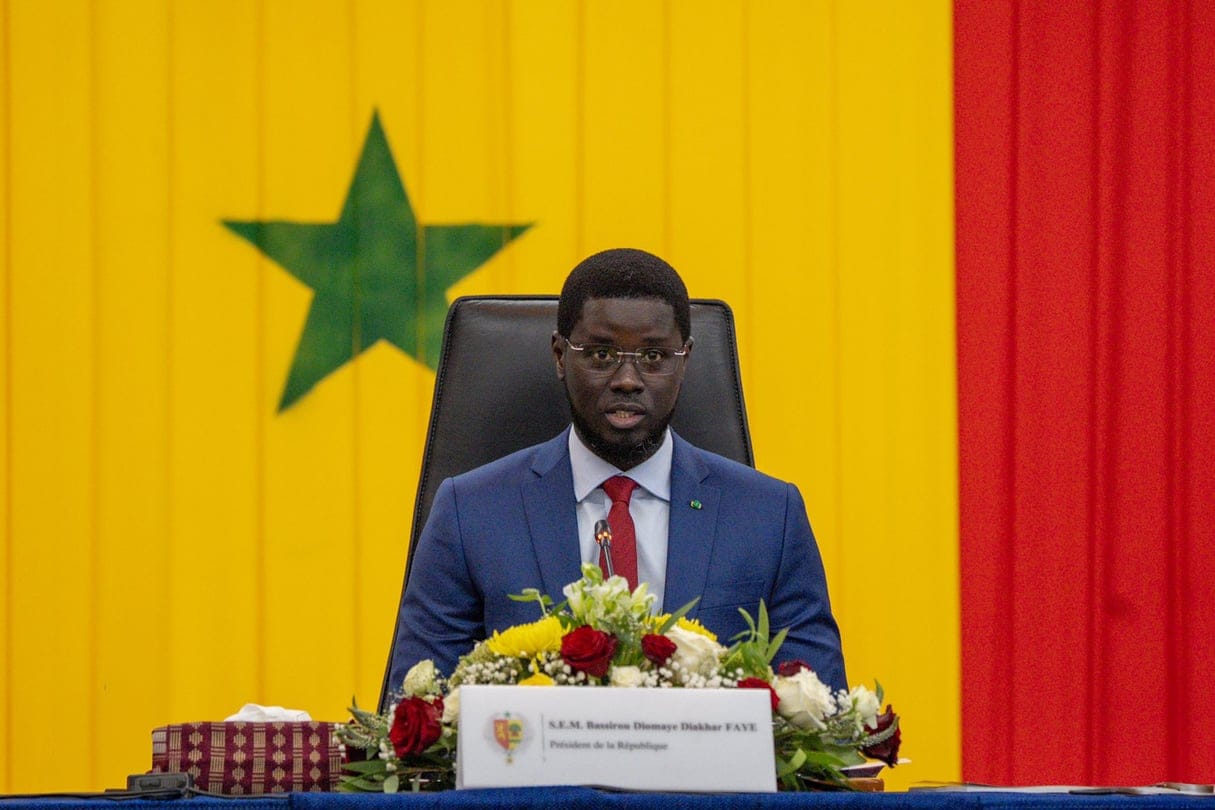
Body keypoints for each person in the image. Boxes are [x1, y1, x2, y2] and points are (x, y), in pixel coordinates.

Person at [388, 248, 846, 691]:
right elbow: (418, 704)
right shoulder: (471, 512)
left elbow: (818, 708)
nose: (627, 380)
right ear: (559, 356)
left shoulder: (769, 516)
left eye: (653, 357)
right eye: (602, 355)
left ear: (685, 361)